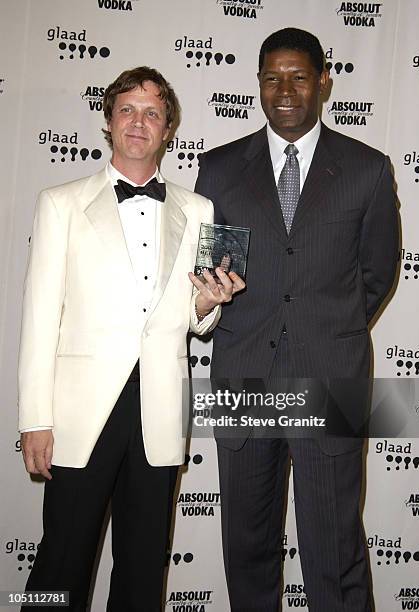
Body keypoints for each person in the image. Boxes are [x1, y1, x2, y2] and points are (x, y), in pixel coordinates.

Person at [18, 66, 243, 612]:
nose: (139, 123)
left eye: (152, 113)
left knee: (143, 566)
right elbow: (40, 317)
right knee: (61, 560)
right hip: (80, 414)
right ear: (109, 120)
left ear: (169, 129)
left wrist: (209, 303)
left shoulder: (198, 210)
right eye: (127, 110)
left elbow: (192, 317)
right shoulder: (60, 203)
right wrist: (34, 420)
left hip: (159, 409)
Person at [195, 28, 399, 612]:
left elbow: (375, 276)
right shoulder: (220, 169)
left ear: (324, 82)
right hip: (244, 380)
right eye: (271, 78)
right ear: (258, 84)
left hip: (329, 379)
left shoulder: (366, 169)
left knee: (334, 553)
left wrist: (323, 330)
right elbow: (217, 270)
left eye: (299, 77)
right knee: (248, 550)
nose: (284, 91)